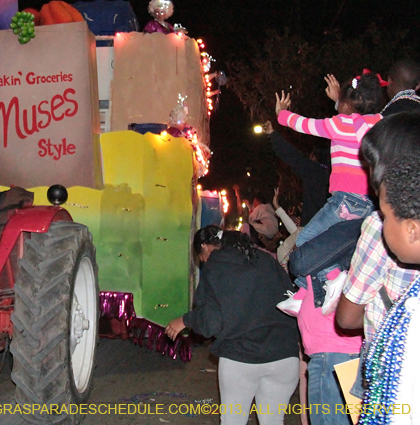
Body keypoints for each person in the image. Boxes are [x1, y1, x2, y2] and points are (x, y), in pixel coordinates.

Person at [165, 226, 300, 425]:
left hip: (242, 357)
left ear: (205, 246)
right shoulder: (265, 260)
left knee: (233, 420)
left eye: (200, 256)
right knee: (273, 420)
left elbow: (211, 322)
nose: (202, 262)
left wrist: (185, 320)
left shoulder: (216, 266)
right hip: (284, 357)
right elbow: (293, 303)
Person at [275, 73, 386, 313]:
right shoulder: (377, 122)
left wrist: (281, 114)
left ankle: (334, 277)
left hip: (344, 201)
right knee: (328, 246)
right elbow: (353, 116)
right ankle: (306, 292)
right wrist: (340, 101)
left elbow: (304, 124)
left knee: (305, 242)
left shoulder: (339, 124)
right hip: (367, 204)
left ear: (346, 103)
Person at [335, 111, 420, 401]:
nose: (369, 174)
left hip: (390, 375)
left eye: (373, 164)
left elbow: (346, 317)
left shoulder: (380, 226)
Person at [264, 120, 330, 225]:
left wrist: (273, 134)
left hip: (314, 230)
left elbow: (294, 157)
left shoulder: (315, 172)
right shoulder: (334, 175)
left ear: (313, 157)